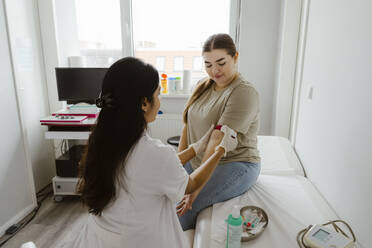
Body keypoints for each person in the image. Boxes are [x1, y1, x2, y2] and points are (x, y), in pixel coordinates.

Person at [71, 57, 238, 248]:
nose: (159, 102)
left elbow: (143, 169)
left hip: (98, 238)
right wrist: (220, 149)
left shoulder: (103, 140)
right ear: (144, 103)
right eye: (157, 95)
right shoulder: (155, 153)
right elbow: (189, 185)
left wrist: (194, 149)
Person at [176, 33, 261, 231]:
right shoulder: (202, 86)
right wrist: (178, 162)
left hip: (234, 163)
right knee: (164, 198)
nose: (214, 70)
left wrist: (196, 189)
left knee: (183, 209)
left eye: (221, 63)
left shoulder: (243, 92)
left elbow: (217, 138)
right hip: (199, 161)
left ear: (235, 57)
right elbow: (186, 127)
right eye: (208, 64)